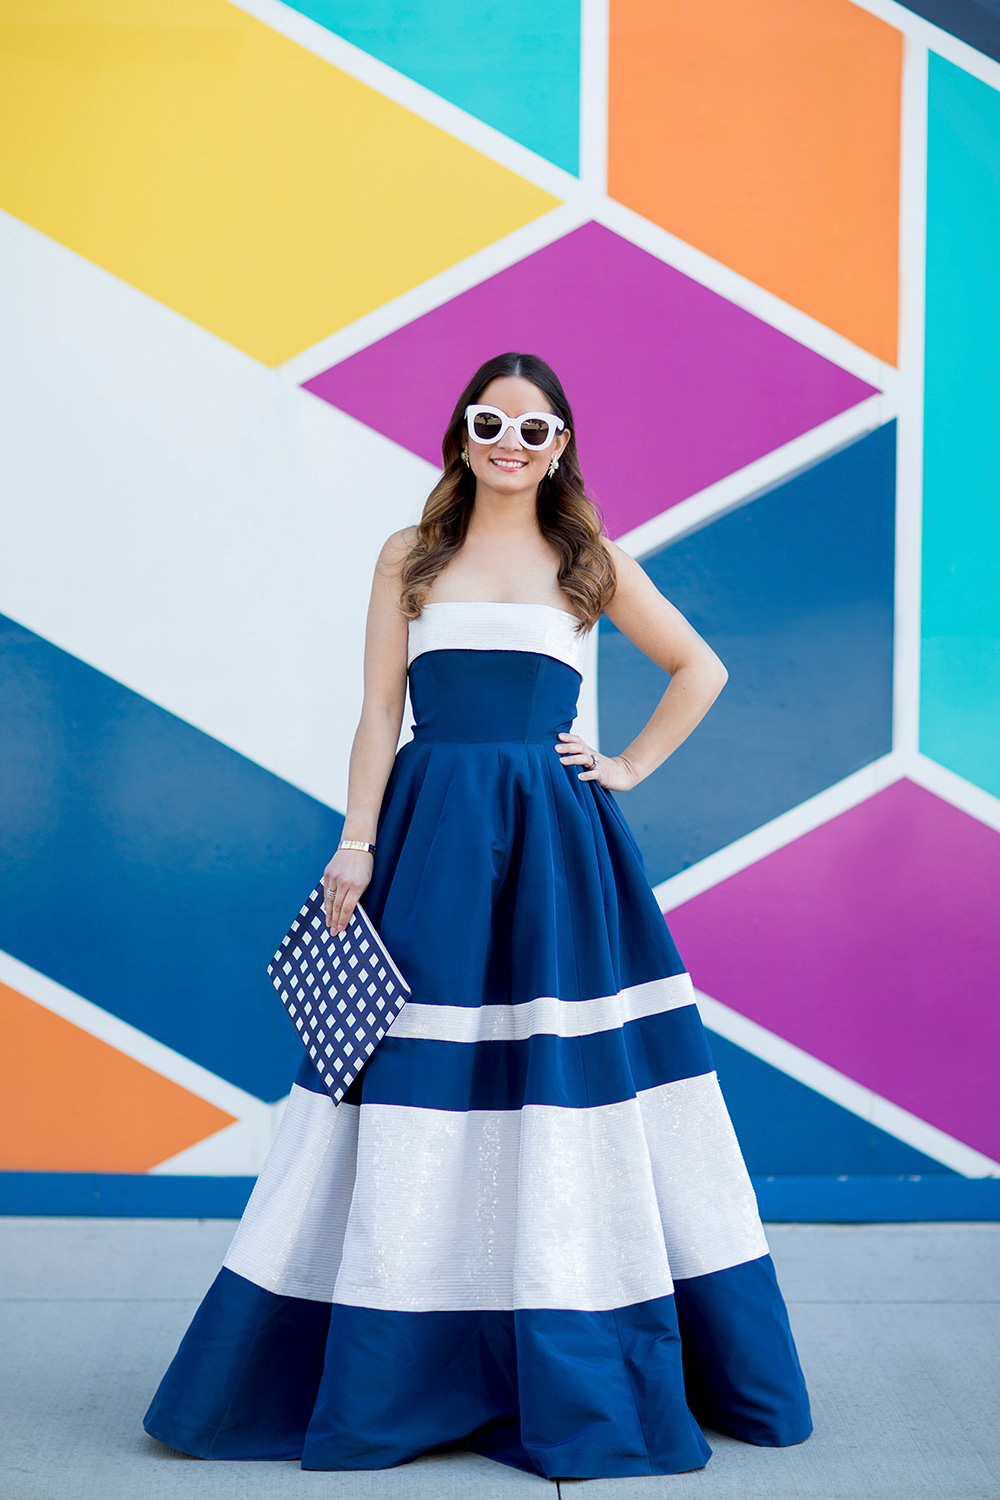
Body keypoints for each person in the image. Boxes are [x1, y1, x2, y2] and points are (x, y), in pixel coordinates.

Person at [143, 351, 812, 1478]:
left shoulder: (587, 560)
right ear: (459, 432)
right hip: (431, 842)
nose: (510, 442)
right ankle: (400, 1353)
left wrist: (629, 765)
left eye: (535, 429)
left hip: (557, 851)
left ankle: (565, 1339)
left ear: (561, 447)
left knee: (562, 1084)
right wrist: (354, 843)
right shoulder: (410, 556)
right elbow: (376, 709)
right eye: (490, 421)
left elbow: (698, 667)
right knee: (413, 1082)